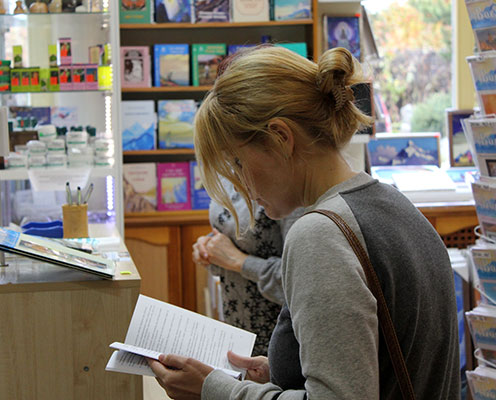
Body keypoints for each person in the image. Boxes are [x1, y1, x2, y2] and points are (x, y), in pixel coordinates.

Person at [147, 45, 460, 399]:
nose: (242, 186)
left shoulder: (320, 235)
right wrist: (283, 372)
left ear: (281, 137)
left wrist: (216, 389)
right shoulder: (396, 206)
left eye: (238, 163)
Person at [192, 180, 301, 356]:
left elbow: (299, 282)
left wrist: (239, 261)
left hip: (280, 340)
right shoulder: (225, 177)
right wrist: (211, 247)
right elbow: (248, 237)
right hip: (238, 329)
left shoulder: (290, 189)